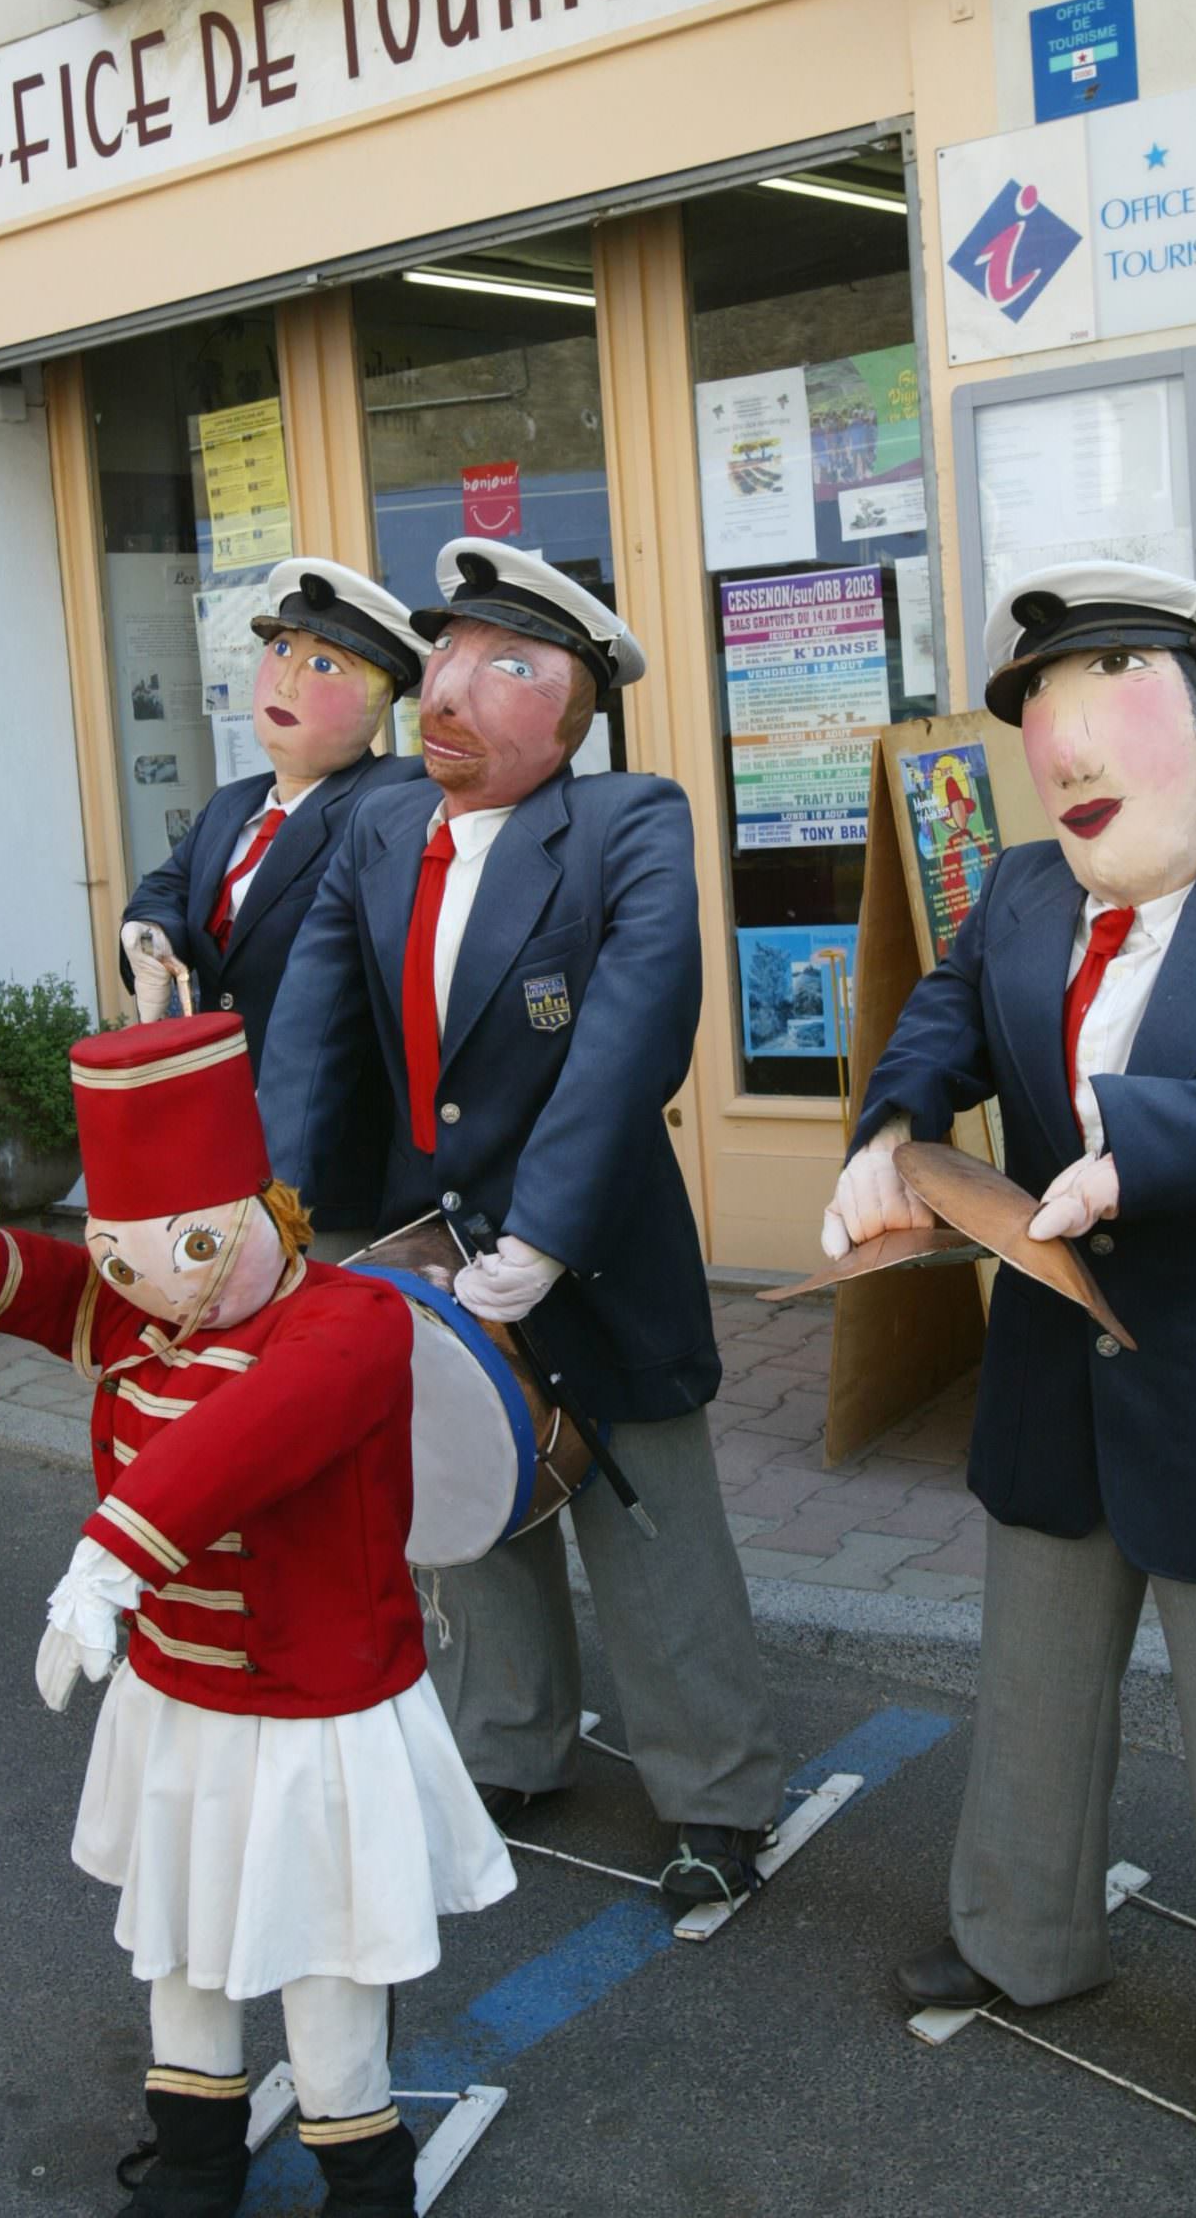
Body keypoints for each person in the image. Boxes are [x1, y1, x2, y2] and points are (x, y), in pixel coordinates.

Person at [822, 561, 1196, 2197]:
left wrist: (1127, 1157)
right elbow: (941, 1015)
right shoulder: (1017, 893)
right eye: (1046, 731)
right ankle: (1020, 1939)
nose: (1071, 761)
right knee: (1030, 1689)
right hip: (1049, 1377)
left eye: (1109, 719)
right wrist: (889, 1137)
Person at [0, 1013, 514, 2218]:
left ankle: (365, 2175)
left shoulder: (350, 1318)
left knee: (326, 1952)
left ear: (254, 1217)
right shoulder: (154, 1303)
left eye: (179, 1248)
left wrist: (112, 1551)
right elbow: (72, 1286)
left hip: (313, 1707)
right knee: (175, 1934)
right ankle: (194, 2154)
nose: (152, 1289)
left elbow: (255, 1434)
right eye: (126, 1255)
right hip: (181, 1694)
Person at [258, 541, 785, 1902]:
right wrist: (278, 1212)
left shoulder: (627, 823)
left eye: (509, 667)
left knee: (647, 1511)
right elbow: (314, 1030)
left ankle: (714, 1793)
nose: (454, 691)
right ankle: (510, 1740)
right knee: (467, 1495)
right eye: (445, 657)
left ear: (574, 711)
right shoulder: (377, 827)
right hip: (426, 1233)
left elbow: (629, 1035)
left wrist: (544, 1229)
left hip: (594, 1232)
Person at [121, 559, 425, 1230]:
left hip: (335, 1157)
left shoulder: (393, 801)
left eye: (325, 667)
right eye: (280, 650)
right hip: (219, 1138)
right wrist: (148, 934)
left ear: (381, 702)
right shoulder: (234, 804)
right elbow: (167, 884)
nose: (285, 677)